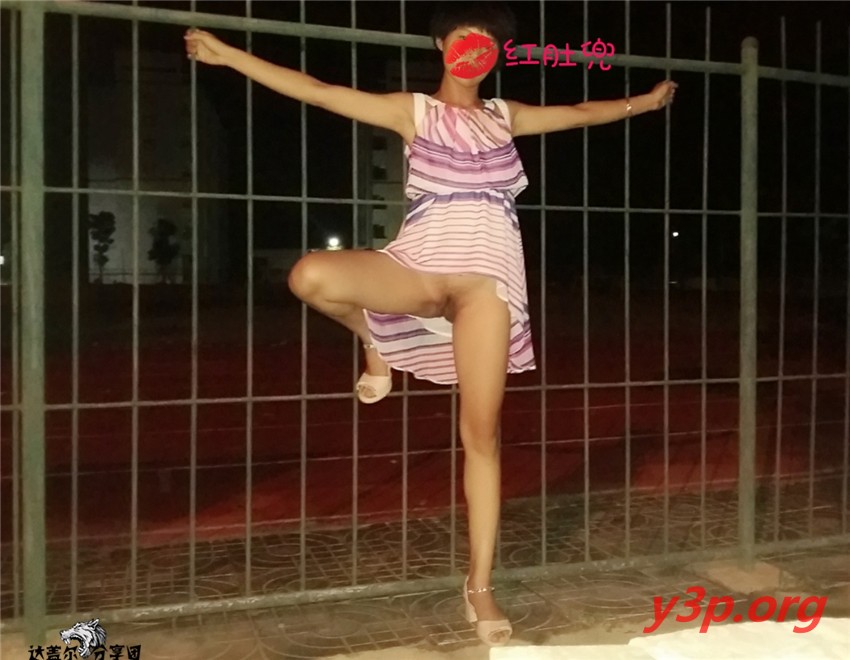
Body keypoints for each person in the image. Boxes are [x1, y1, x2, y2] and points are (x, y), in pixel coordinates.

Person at [184, 1, 676, 647]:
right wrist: (227, 56)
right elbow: (318, 90)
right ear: (443, 44)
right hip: (417, 269)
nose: (477, 49)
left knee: (483, 437)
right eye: (465, 37)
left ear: (497, 56)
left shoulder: (505, 116)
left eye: (489, 43)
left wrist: (646, 101)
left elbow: (583, 112)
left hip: (487, 289)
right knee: (311, 276)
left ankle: (480, 584)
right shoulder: (412, 110)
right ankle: (374, 340)